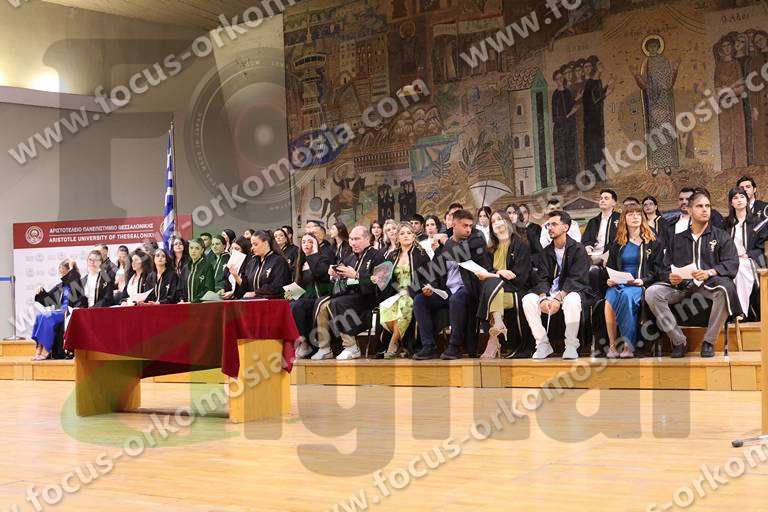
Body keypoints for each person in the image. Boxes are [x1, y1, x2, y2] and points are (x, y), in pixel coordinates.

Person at [646, 191, 742, 358]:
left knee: (725, 290)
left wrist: (709, 272)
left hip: (709, 285)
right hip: (681, 286)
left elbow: (732, 262)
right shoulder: (677, 239)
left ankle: (709, 341)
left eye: (707, 206)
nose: (705, 210)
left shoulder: (721, 236)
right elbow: (662, 266)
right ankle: (678, 341)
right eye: (699, 206)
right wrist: (670, 276)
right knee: (652, 293)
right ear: (689, 210)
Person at [412, 209, 492, 360]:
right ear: (454, 225)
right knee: (420, 300)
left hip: (469, 289)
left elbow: (460, 254)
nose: (468, 229)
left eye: (470, 226)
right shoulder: (443, 247)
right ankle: (429, 346)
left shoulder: (476, 239)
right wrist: (430, 287)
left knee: (457, 299)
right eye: (465, 226)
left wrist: (445, 240)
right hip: (447, 291)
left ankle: (454, 346)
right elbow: (433, 270)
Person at [523, 210, 591, 360]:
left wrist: (558, 298)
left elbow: (577, 278)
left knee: (572, 300)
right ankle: (542, 344)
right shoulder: (546, 251)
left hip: (571, 291)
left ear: (565, 227)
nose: (550, 228)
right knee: (528, 300)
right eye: (548, 225)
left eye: (554, 224)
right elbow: (542, 278)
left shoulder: (578, 249)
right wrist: (543, 297)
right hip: (550, 292)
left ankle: (571, 345)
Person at [314, 225, 384, 360]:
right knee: (321, 305)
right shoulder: (350, 257)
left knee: (336, 303)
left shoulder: (377, 255)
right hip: (349, 295)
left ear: (367, 239)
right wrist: (335, 275)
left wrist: (357, 276)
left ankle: (351, 347)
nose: (352, 243)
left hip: (369, 298)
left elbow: (380, 282)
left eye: (357, 239)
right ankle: (324, 348)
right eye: (351, 239)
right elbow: (342, 280)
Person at [603, 204, 663, 358]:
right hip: (619, 283)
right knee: (609, 300)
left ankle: (628, 346)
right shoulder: (618, 242)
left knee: (626, 296)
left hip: (639, 285)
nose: (635, 216)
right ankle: (613, 346)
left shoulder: (652, 240)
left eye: (638, 213)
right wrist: (610, 279)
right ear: (624, 219)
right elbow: (610, 267)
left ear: (642, 217)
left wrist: (643, 280)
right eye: (630, 214)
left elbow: (658, 269)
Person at [474, 211, 532, 359]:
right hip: (496, 291)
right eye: (493, 222)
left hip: (516, 289)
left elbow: (519, 277)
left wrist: (495, 276)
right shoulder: (490, 248)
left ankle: (493, 341)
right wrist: (499, 272)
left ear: (507, 221)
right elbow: (487, 271)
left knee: (491, 291)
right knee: (493, 285)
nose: (497, 223)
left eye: (499, 219)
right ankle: (498, 325)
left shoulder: (521, 245)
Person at [375, 222, 431, 358]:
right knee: (385, 307)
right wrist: (378, 279)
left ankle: (393, 343)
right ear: (398, 237)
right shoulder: (392, 255)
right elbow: (386, 279)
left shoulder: (421, 254)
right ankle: (401, 344)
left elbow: (429, 276)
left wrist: (417, 288)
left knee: (404, 304)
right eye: (402, 233)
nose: (406, 236)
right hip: (396, 293)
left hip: (414, 292)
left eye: (409, 233)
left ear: (413, 236)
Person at [725, 187, 767, 319]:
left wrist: (747, 255)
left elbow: (760, 248)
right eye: (735, 198)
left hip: (750, 261)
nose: (739, 200)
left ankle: (740, 311)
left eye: (742, 197)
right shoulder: (726, 224)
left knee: (740, 266)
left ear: (747, 200)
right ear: (731, 203)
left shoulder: (756, 222)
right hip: (729, 261)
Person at [31, 260, 85, 360]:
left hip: (70, 312)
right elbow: (48, 300)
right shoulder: (60, 286)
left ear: (70, 272)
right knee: (40, 315)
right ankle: (39, 348)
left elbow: (74, 280)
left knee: (49, 316)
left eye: (64, 272)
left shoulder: (76, 283)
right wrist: (41, 291)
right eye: (60, 273)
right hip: (59, 312)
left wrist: (72, 267)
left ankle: (46, 350)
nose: (61, 275)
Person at [291, 233, 333, 359]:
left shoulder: (322, 259)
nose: (306, 244)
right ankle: (302, 342)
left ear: (315, 244)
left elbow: (318, 274)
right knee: (290, 304)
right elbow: (298, 285)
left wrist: (313, 254)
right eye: (303, 242)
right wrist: (289, 295)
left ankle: (305, 344)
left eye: (310, 241)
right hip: (305, 298)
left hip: (319, 298)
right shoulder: (300, 262)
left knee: (298, 305)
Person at [582, 189, 620, 294]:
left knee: (594, 269)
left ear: (614, 203)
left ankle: (600, 296)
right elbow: (585, 240)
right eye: (601, 198)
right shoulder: (593, 221)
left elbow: (620, 240)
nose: (602, 200)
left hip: (610, 255)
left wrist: (608, 254)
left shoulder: (620, 219)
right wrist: (587, 246)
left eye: (606, 198)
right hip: (593, 255)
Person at [236, 231, 290, 299]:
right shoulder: (252, 263)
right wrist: (235, 275)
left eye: (255, 244)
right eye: (252, 245)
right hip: (252, 301)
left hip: (272, 301)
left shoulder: (278, 261)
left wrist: (255, 293)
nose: (252, 248)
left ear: (266, 243)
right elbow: (246, 285)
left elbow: (277, 286)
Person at [181, 238, 215, 303]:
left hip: (200, 305)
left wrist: (194, 302)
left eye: (197, 248)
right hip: (185, 305)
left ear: (202, 250)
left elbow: (208, 289)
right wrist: (181, 299)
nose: (193, 251)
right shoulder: (185, 268)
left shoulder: (207, 266)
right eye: (191, 248)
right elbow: (180, 288)